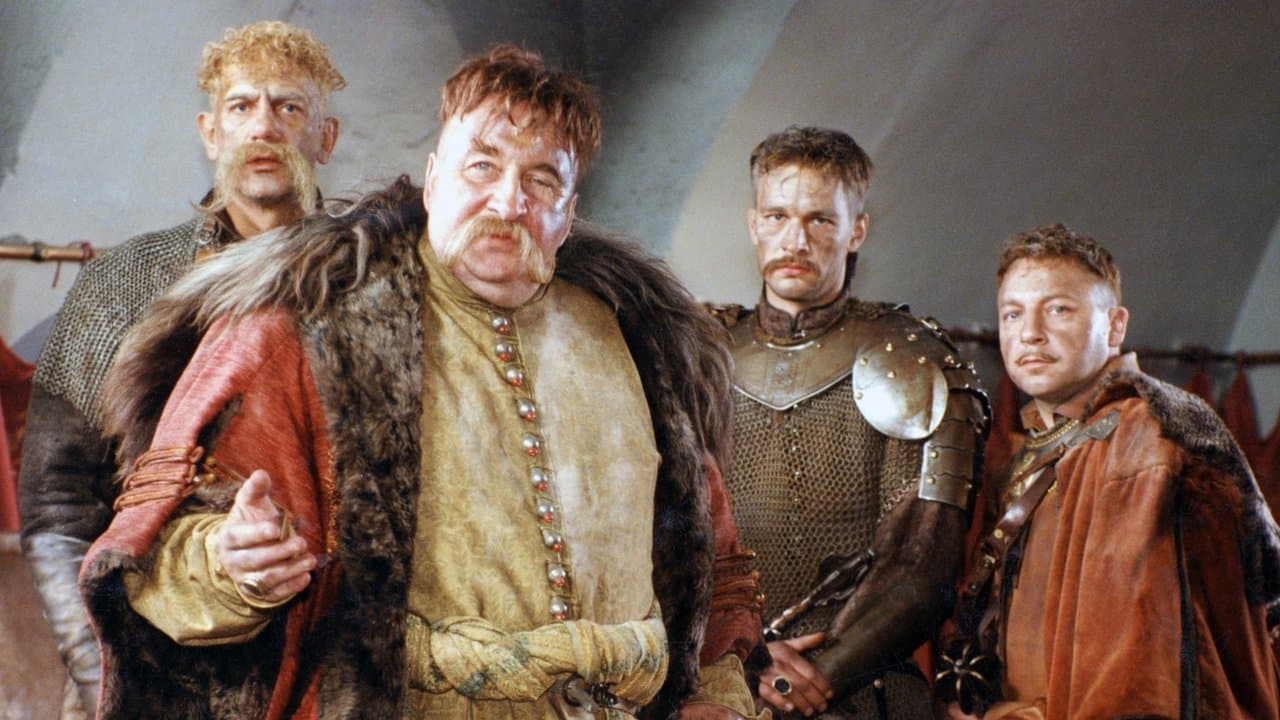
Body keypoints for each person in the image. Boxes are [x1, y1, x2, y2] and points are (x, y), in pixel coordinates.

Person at [81, 45, 761, 719]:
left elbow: (710, 561)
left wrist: (719, 695)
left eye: (541, 181)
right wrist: (233, 565)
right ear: (434, 181)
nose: (508, 202)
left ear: (570, 210)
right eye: (482, 166)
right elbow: (159, 550)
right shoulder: (308, 327)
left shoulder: (635, 338)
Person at [17, 20, 343, 719]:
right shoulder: (124, 282)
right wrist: (103, 675)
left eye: (289, 106)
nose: (264, 126)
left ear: (326, 137)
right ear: (210, 132)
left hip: (324, 669)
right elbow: (57, 505)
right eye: (241, 105)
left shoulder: (368, 286)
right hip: (149, 667)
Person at [943, 223, 1280, 719]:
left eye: (1058, 309)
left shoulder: (1144, 434)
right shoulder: (1032, 452)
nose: (1030, 332)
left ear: (1115, 326)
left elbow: (1139, 669)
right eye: (1012, 313)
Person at [709, 126, 988, 719]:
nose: (795, 240)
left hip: (867, 696)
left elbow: (922, 568)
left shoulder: (912, 363)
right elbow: (670, 539)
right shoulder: (700, 357)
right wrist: (741, 661)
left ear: (856, 230)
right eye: (777, 216)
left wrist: (815, 679)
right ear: (753, 224)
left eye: (820, 220)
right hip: (721, 687)